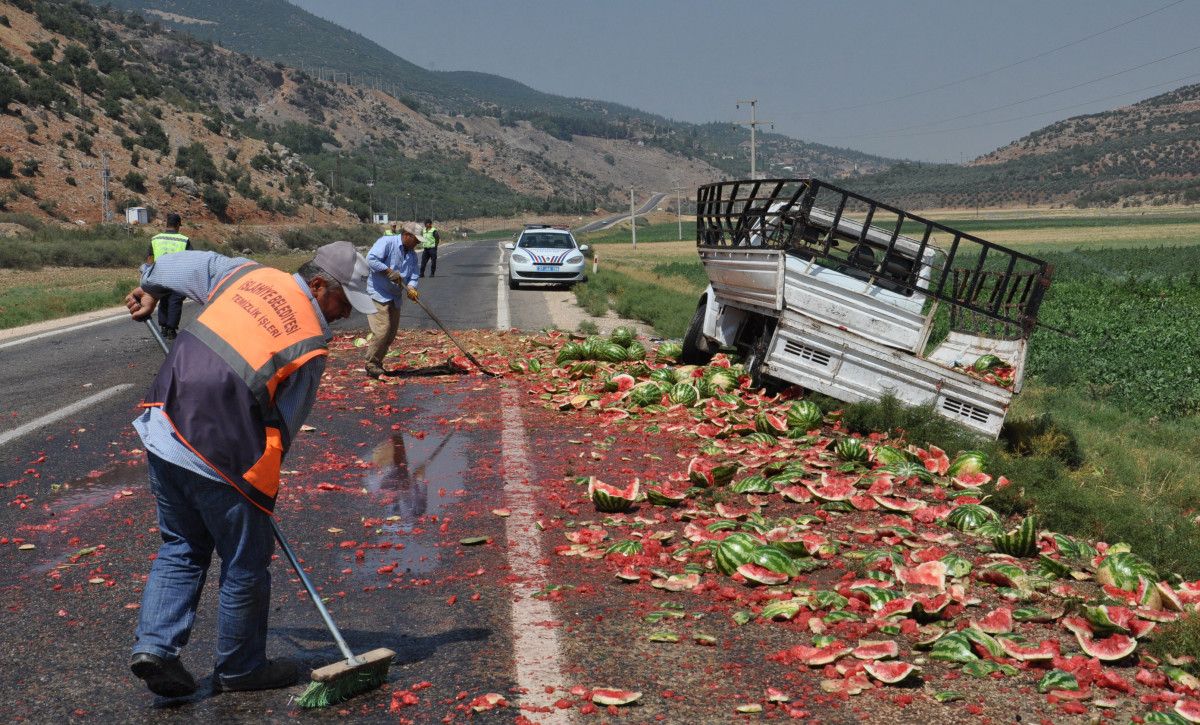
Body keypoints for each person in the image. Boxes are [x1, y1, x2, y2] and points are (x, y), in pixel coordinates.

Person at [123, 241, 376, 699]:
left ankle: (155, 649)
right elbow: (286, 428)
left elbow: (174, 265)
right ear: (318, 285)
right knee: (245, 563)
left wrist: (149, 289)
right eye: (343, 303)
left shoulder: (243, 272)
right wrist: (260, 493)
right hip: (223, 453)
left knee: (181, 544)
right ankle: (241, 668)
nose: (345, 316)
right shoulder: (310, 346)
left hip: (163, 425)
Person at [364, 221, 422, 379]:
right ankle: (371, 363)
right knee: (383, 330)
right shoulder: (387, 242)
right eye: (415, 239)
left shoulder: (411, 254)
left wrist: (411, 287)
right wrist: (388, 271)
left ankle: (377, 362)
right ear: (407, 235)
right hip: (378, 292)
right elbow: (371, 259)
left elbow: (415, 273)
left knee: (390, 334)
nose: (417, 243)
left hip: (395, 296)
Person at [145, 213, 192, 339]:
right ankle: (171, 329)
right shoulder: (184, 240)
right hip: (177, 276)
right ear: (177, 225)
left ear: (167, 224)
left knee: (163, 300)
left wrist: (148, 274)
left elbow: (150, 258)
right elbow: (191, 259)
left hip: (159, 275)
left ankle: (163, 328)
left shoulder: (155, 239)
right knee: (175, 302)